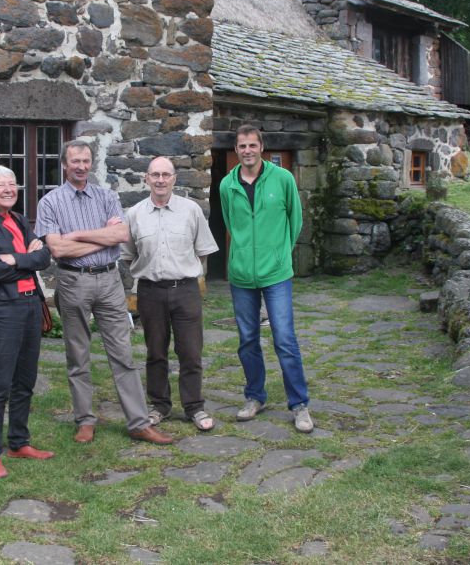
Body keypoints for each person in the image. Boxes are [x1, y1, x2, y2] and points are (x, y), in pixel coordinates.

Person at [35, 140, 173, 445]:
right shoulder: (50, 202)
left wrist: (78, 235)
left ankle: (138, 422)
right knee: (78, 354)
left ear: (91, 163)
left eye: (86, 161)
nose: (81, 166)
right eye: (75, 162)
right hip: (72, 282)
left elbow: (121, 235)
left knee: (123, 354)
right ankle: (85, 420)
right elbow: (57, 248)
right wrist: (102, 238)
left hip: (109, 281)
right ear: (64, 165)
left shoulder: (107, 197)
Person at [219, 124, 314, 433]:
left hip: (276, 274)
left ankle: (299, 404)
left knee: (284, 338)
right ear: (236, 150)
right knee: (248, 340)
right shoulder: (226, 186)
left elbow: (295, 220)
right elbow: (230, 224)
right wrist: (243, 255)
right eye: (241, 146)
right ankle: (254, 397)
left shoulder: (282, 179)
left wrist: (279, 254)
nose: (247, 151)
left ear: (261, 147)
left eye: (252, 145)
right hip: (242, 274)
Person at [0, 166, 55, 480]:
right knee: (0, 383)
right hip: (3, 310)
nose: (9, 189)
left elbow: (44, 257)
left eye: (12, 184)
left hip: (31, 306)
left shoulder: (19, 220)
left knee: (25, 380)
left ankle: (19, 442)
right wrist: (25, 257)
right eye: (1, 185)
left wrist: (14, 258)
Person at [121, 157, 220, 432]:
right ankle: (160, 405)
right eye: (155, 175)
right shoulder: (135, 214)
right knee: (155, 352)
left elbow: (203, 251)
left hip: (186, 290)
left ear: (175, 178)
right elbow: (129, 256)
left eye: (166, 175)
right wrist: (153, 273)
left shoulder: (190, 211)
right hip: (151, 292)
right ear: (146, 179)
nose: (160, 180)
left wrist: (181, 272)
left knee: (190, 351)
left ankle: (194, 407)